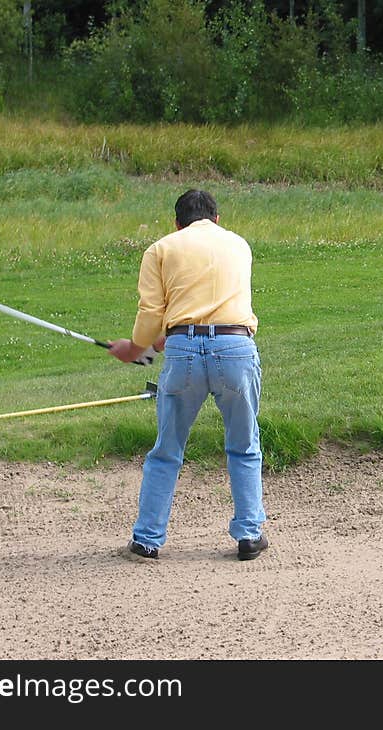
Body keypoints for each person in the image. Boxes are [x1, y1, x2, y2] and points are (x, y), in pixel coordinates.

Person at [109, 190, 268, 561]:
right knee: (244, 444)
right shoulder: (239, 245)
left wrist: (135, 349)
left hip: (184, 353)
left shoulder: (161, 248)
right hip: (236, 347)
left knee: (167, 449)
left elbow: (154, 313)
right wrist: (160, 339)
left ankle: (147, 539)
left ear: (177, 223)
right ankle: (249, 535)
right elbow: (210, 306)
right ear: (216, 219)